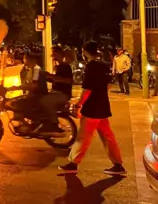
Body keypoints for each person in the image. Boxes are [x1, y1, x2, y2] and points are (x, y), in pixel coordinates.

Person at [59, 41, 126, 175]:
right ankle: (118, 164)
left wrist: (79, 104)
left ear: (86, 52)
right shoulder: (104, 65)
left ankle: (73, 163)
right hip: (103, 106)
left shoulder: (91, 66)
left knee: (83, 137)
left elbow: (87, 89)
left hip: (92, 108)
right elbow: (108, 85)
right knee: (108, 136)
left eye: (83, 51)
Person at [42, 47, 73, 134]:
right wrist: (46, 77)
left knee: (45, 102)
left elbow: (68, 80)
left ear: (59, 54)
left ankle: (54, 124)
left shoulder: (66, 66)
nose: (52, 56)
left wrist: (53, 77)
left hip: (62, 94)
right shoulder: (57, 67)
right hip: (55, 93)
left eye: (54, 54)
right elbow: (54, 79)